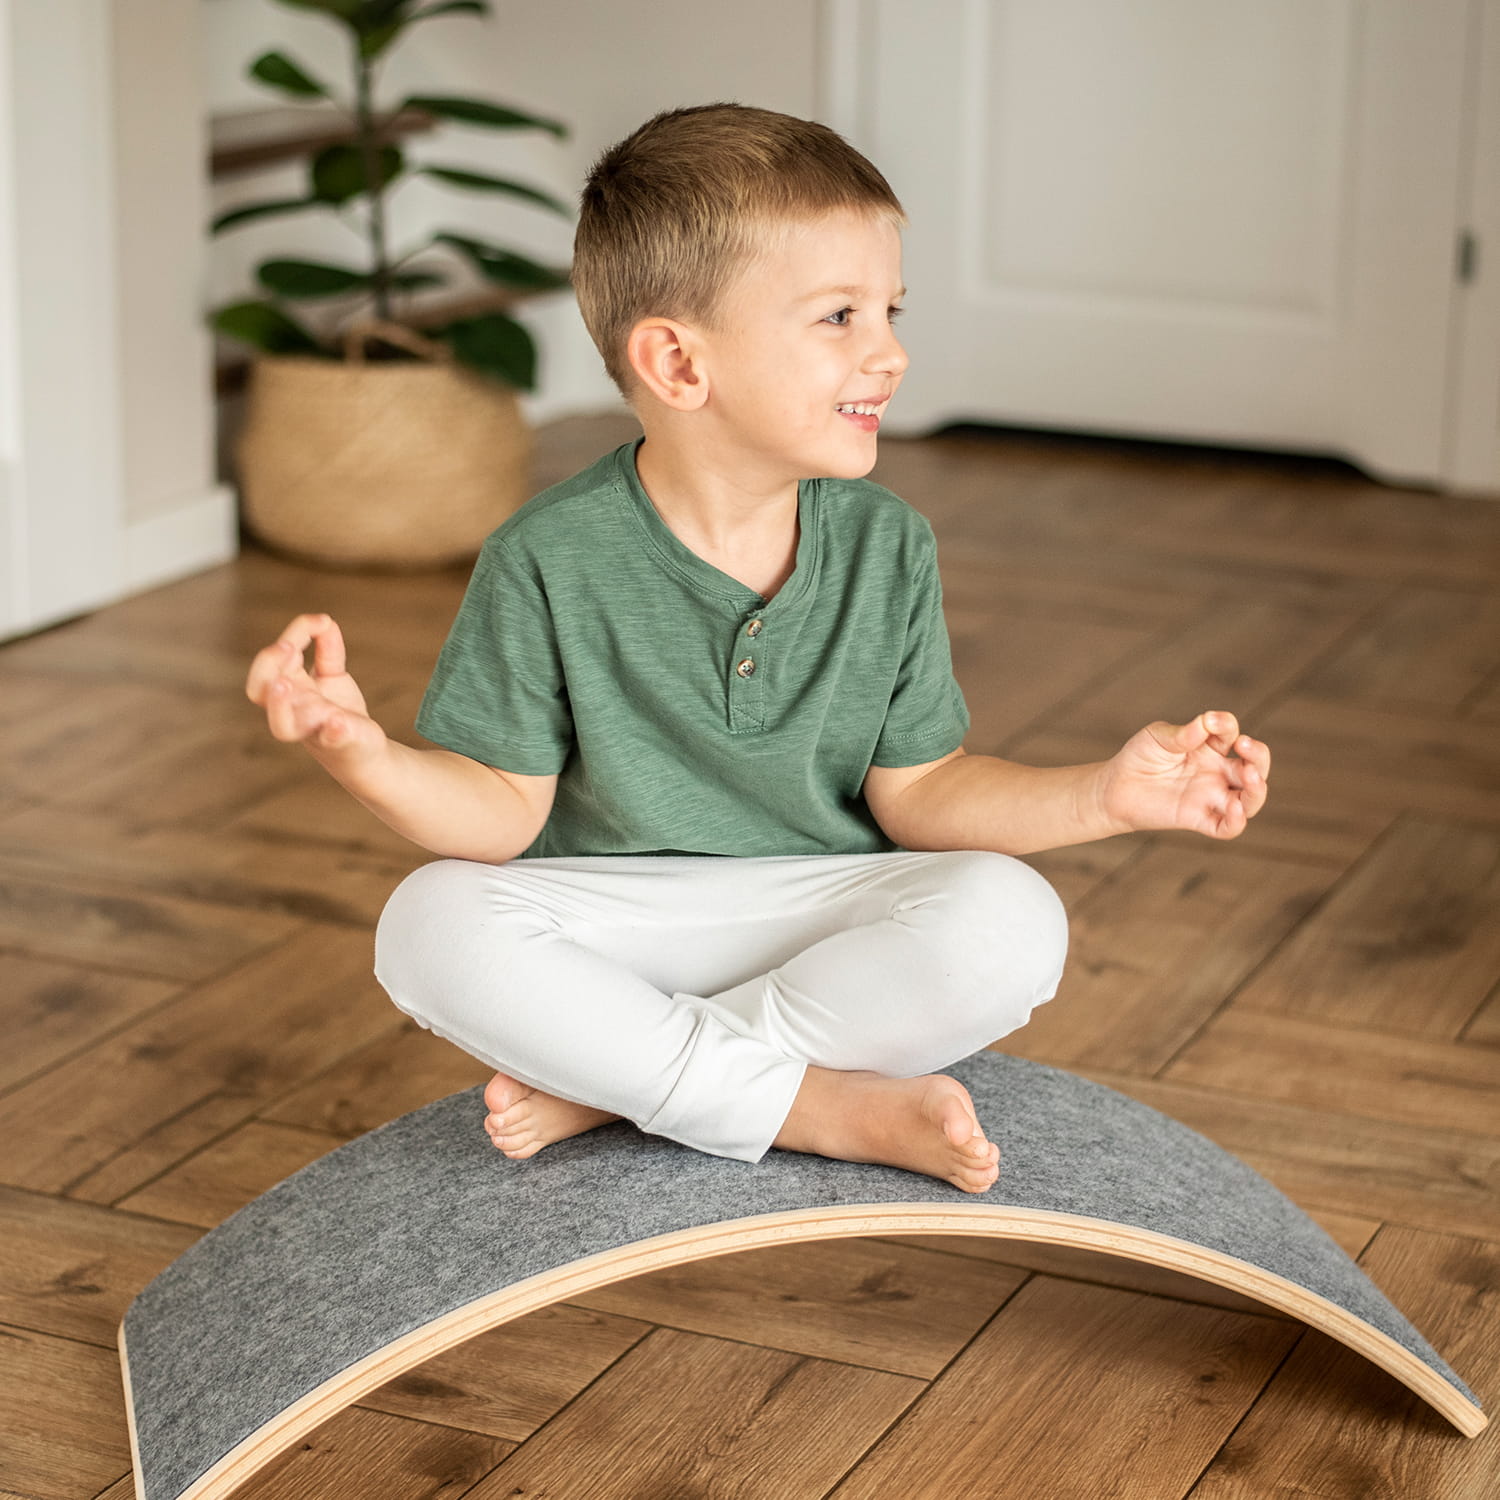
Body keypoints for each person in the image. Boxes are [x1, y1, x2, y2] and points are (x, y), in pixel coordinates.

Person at [245, 103, 1270, 1195]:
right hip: (614, 914)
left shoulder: (889, 546)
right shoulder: (545, 555)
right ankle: (816, 1106)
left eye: (890, 311)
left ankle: (622, 1083)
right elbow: (498, 813)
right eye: (839, 317)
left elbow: (924, 794)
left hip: (821, 905)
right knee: (427, 925)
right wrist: (363, 754)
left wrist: (1107, 795)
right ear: (678, 364)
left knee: (1013, 919)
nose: (890, 351)